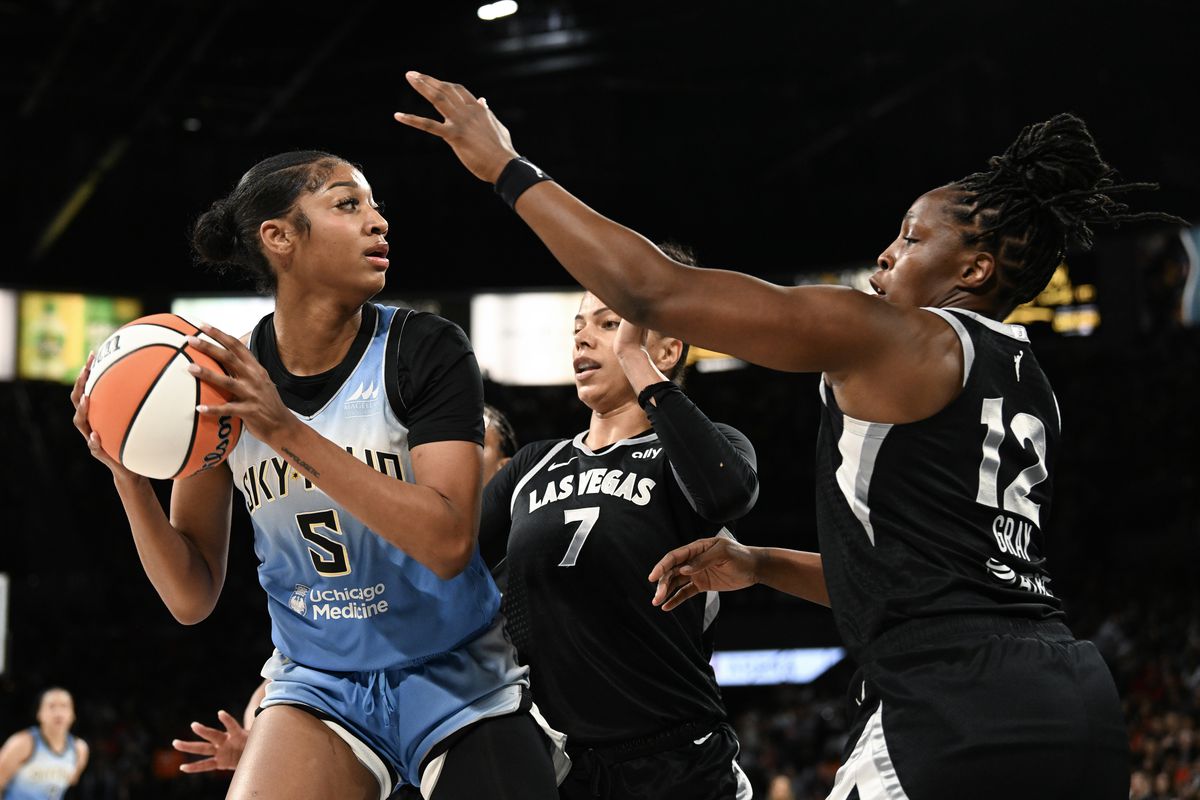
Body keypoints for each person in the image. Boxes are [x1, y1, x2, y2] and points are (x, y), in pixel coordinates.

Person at [395, 75, 1186, 799]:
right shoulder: (1028, 381)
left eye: (912, 238)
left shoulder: (894, 336)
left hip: (951, 704)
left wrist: (505, 165)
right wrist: (760, 563)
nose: (886, 252)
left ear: (974, 270)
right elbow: (929, 580)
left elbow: (654, 288)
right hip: (1072, 699)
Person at [70, 151, 559, 800]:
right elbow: (191, 596)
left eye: (375, 204)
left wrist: (284, 432)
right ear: (279, 238)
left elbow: (446, 546)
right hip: (319, 681)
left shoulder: (426, 351)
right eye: (347, 204)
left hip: (455, 671)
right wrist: (128, 476)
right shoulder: (219, 379)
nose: (379, 221)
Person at [478, 261, 759, 799]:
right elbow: (442, 558)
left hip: (674, 757)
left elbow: (727, 494)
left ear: (668, 349)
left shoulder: (704, 448)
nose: (583, 335)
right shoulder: (533, 464)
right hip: (558, 763)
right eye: (578, 325)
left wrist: (636, 360)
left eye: (608, 324)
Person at [170, 404, 524, 786]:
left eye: (472, 441)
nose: (447, 449)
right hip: (368, 719)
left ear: (504, 469)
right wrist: (262, 741)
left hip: (462, 706)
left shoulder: (519, 556)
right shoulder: (388, 536)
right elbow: (290, 678)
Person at [0, 688, 89, 800]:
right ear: (39, 713)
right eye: (51, 706)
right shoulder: (23, 743)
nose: (58, 712)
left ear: (73, 715)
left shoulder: (80, 749)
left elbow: (71, 781)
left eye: (64, 706)